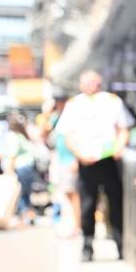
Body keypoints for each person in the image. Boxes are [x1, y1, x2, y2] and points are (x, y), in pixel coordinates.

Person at [56, 70, 132, 261]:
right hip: (86, 161)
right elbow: (67, 135)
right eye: (87, 82)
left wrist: (119, 147)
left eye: (94, 82)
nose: (91, 86)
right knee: (87, 205)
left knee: (115, 203)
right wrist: (79, 155)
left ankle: (120, 244)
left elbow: (123, 128)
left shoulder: (112, 101)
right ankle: (87, 246)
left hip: (108, 159)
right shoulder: (74, 104)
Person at [45, 94, 81, 237]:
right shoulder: (57, 118)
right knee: (66, 193)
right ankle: (74, 225)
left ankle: (77, 226)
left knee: (73, 193)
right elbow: (44, 132)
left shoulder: (74, 117)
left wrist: (76, 159)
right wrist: (48, 114)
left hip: (71, 160)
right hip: (62, 160)